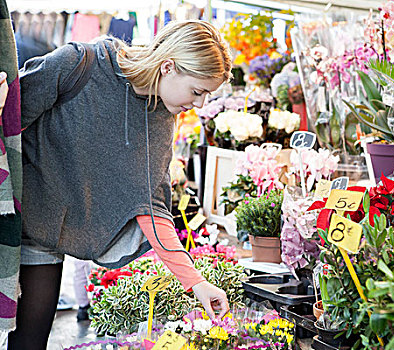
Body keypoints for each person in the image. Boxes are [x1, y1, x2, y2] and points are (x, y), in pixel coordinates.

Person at [8, 20, 232, 349]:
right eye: (197, 91)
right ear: (168, 66)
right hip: (9, 219)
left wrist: (195, 282)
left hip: (41, 242)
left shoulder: (160, 119)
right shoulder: (80, 64)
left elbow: (151, 207)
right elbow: (9, 117)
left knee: (29, 344)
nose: (199, 104)